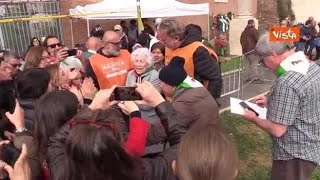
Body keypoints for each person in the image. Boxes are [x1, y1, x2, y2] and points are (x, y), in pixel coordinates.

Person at [47, 82, 185, 180]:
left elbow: (55, 140)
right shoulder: (143, 172)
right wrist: (158, 101)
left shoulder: (61, 173)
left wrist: (92, 107)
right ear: (118, 143)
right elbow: (184, 147)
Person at [243, 33, 320, 180]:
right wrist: (271, 100)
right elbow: (304, 97)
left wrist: (253, 117)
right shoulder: (311, 66)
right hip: (310, 145)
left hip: (293, 156)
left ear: (273, 55)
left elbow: (277, 130)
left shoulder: (287, 81)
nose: (264, 64)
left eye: (263, 60)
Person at [158, 18, 222, 100]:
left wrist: (207, 103)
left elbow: (214, 80)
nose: (162, 43)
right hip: (173, 101)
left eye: (164, 40)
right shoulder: (169, 47)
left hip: (193, 102)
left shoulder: (198, 50)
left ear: (176, 38)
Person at [159, 56, 219, 129]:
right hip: (212, 131)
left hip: (198, 137)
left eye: (163, 82)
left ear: (173, 85)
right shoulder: (195, 86)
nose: (160, 86)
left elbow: (171, 128)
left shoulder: (181, 102)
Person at [240, 19, 261, 84]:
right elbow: (258, 40)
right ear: (253, 23)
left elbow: (241, 41)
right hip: (253, 50)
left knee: (247, 65)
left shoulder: (243, 32)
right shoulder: (254, 31)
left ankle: (246, 78)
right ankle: (254, 78)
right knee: (254, 64)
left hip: (245, 51)